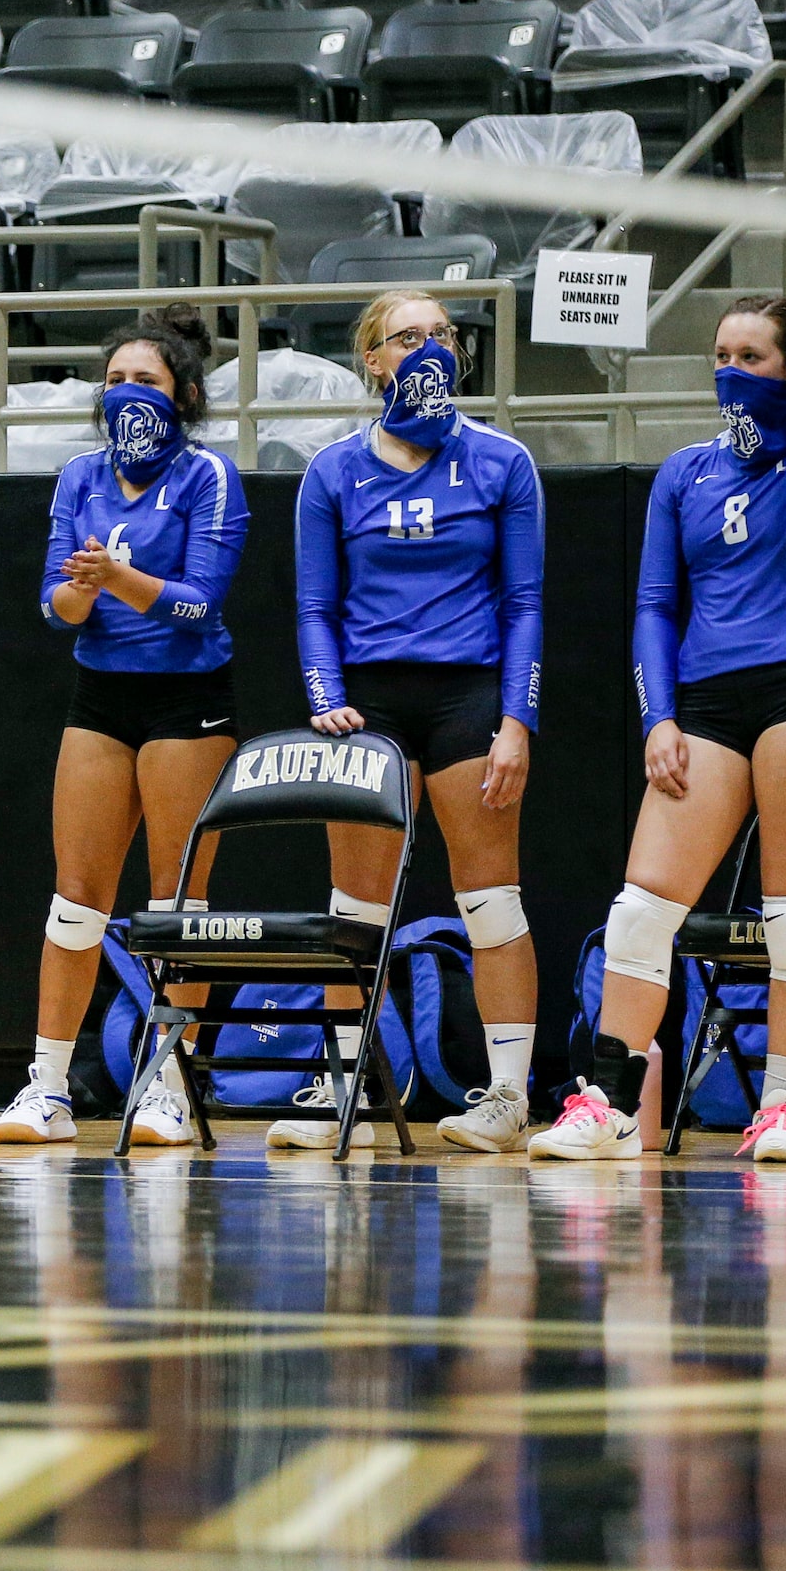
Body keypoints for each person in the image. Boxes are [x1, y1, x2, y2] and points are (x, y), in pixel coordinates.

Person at [535, 299, 786, 1166]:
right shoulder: (684, 472)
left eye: (751, 357)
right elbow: (653, 606)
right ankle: (605, 1103)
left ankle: (782, 1109)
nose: (728, 371)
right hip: (706, 704)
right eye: (718, 355)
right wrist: (659, 717)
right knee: (641, 909)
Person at [284, 291, 545, 1153]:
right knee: (355, 907)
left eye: (441, 335)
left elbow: (524, 604)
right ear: (372, 358)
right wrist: (325, 698)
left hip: (467, 695)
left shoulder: (501, 461)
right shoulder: (332, 470)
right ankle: (347, 1083)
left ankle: (506, 1097)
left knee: (490, 902)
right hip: (366, 701)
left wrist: (517, 721)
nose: (428, 346)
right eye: (407, 336)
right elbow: (314, 605)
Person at [0, 308, 247, 1147]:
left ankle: (168, 1086)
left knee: (177, 907)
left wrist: (120, 575)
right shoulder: (79, 477)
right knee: (75, 902)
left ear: (184, 395)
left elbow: (197, 603)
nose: (126, 395)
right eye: (113, 382)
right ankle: (46, 1087)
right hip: (99, 701)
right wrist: (86, 587)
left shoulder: (207, 475)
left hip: (186, 701)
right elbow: (54, 606)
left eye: (144, 381)